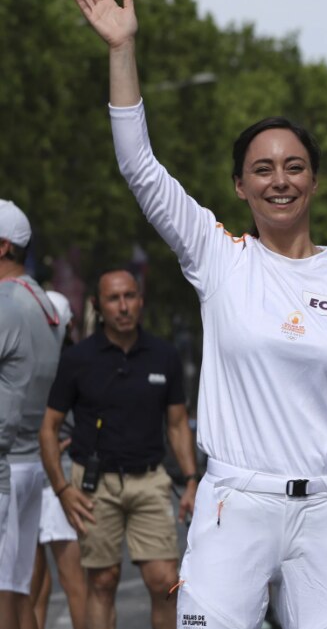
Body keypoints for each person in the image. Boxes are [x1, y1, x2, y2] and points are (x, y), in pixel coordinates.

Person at [73, 0, 327, 629]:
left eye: (293, 166)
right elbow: (139, 166)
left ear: (314, 181)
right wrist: (122, 49)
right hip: (237, 505)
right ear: (239, 186)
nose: (278, 180)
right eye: (262, 168)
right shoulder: (219, 256)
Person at [39, 269, 195, 629]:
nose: (123, 307)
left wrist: (190, 480)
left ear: (140, 301)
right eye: (113, 299)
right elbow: (48, 427)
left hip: (150, 480)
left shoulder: (163, 355)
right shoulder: (78, 358)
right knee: (103, 581)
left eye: (129, 297)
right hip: (94, 486)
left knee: (164, 581)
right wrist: (62, 489)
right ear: (98, 305)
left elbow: (176, 424)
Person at [0, 199, 64, 628]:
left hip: (5, 464)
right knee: (17, 590)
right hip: (27, 464)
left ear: (3, 246)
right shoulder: (41, 299)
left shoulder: (5, 301)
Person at [30, 290, 88, 629]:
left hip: (59, 481)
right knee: (32, 583)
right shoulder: (35, 358)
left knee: (71, 580)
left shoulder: (68, 364)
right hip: (30, 476)